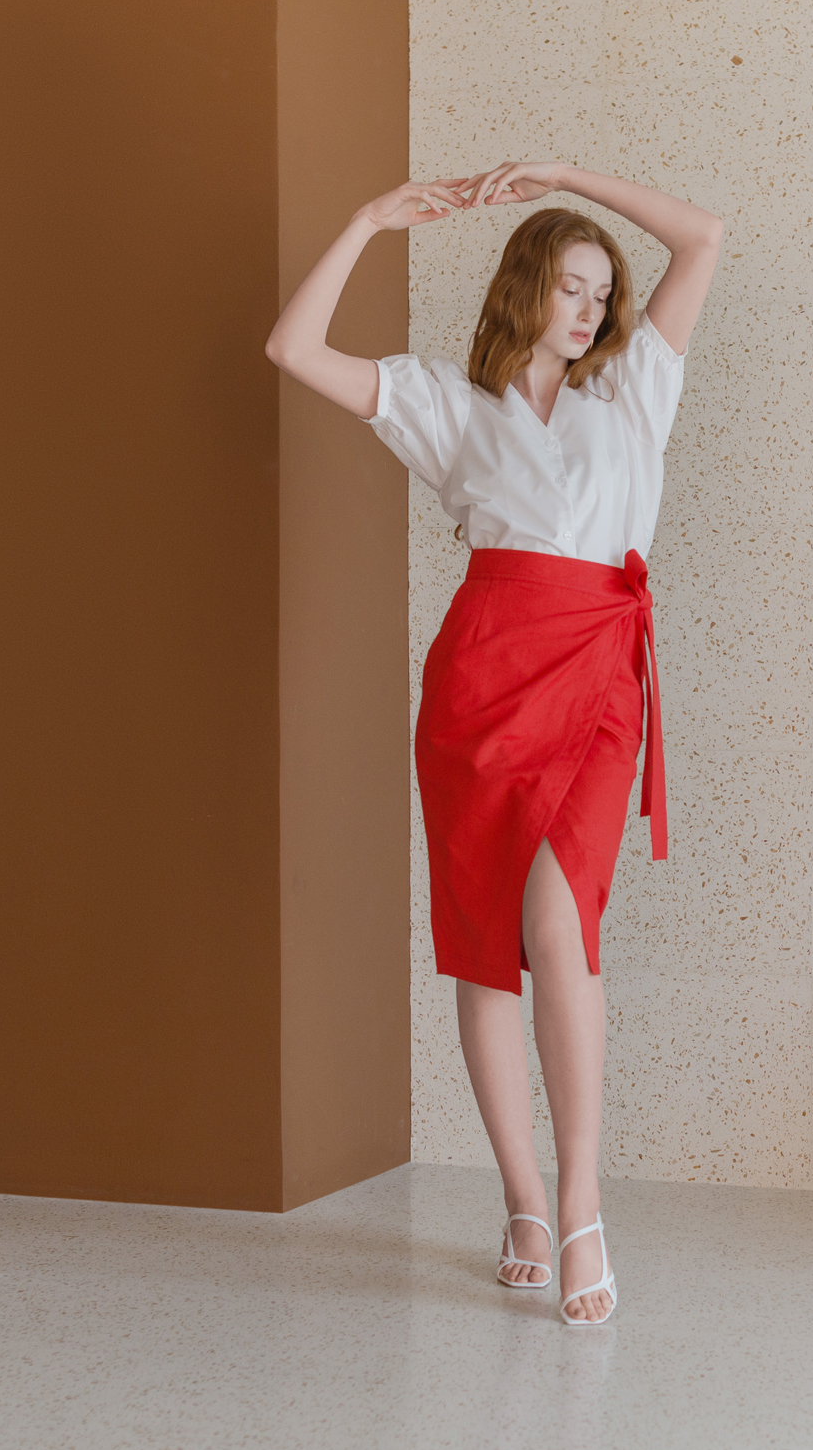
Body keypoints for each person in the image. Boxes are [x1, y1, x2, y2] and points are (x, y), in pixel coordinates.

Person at [266, 160, 722, 1324]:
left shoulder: (634, 393)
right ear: (525, 286)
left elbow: (703, 237)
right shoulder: (446, 403)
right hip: (482, 685)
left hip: (599, 682)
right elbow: (292, 349)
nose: (591, 310)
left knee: (559, 924)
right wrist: (368, 220)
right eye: (571, 286)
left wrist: (566, 176)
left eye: (601, 293)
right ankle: (521, 1198)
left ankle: (580, 1203)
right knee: (483, 945)